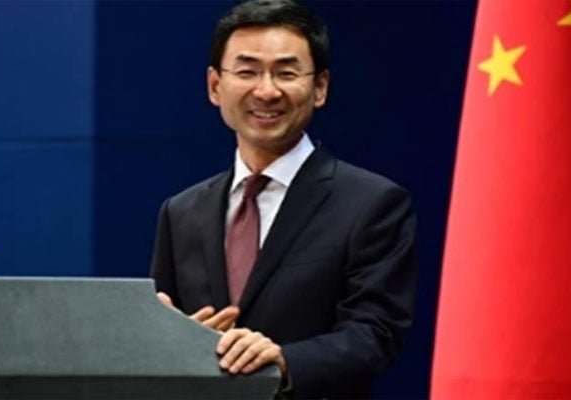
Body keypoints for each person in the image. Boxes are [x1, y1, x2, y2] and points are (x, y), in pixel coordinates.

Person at [150, 0, 417, 398]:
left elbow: (376, 335)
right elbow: (162, 332)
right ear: (215, 86)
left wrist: (284, 360)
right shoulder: (181, 211)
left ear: (320, 87)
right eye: (247, 72)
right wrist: (168, 338)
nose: (267, 91)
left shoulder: (373, 203)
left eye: (286, 73)